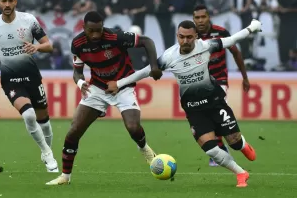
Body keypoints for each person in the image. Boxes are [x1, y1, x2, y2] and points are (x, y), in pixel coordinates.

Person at [107, 19, 261, 188]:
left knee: (234, 141)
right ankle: (240, 173)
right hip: (194, 109)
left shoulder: (206, 46)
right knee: (210, 149)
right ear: (177, 36)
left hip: (215, 102)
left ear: (196, 36)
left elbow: (232, 40)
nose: (185, 41)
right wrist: (119, 84)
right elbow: (144, 72)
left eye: (189, 37)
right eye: (181, 37)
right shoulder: (169, 56)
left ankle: (243, 145)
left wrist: (251, 27)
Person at [46, 11, 162, 185]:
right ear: (83, 28)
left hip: (122, 86)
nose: (95, 35)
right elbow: (77, 73)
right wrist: (80, 84)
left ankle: (144, 147)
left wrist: (154, 66)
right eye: (91, 30)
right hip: (98, 88)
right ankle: (65, 176)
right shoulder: (77, 44)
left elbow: (147, 41)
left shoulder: (116, 37)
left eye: (99, 30)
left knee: (133, 127)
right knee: (74, 131)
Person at [0, 0, 58, 173]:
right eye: (3, 1)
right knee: (28, 115)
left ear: (15, 2)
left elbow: (49, 45)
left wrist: (37, 47)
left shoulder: (29, 20)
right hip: (10, 79)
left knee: (44, 120)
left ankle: (47, 149)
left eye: (10, 1)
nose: (7, 4)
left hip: (32, 77)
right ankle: (47, 153)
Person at [193, 4, 250, 167]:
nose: (200, 20)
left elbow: (236, 52)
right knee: (208, 114)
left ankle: (224, 147)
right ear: (193, 19)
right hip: (199, 83)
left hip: (219, 80)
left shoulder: (221, 32)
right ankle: (223, 146)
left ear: (209, 17)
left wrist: (244, 77)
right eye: (197, 18)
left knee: (212, 110)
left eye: (203, 17)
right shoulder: (191, 36)